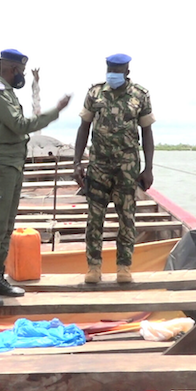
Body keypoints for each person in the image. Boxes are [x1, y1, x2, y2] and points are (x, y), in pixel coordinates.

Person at [0, 49, 70, 306]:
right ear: (11, 69)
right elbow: (19, 125)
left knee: (6, 226)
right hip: (0, 167)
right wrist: (54, 112)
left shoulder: (8, 94)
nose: (23, 76)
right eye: (21, 71)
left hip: (13, 166)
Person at [73, 53, 155, 284]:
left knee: (127, 218)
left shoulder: (140, 95)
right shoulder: (95, 93)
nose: (113, 74)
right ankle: (94, 267)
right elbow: (84, 128)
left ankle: (124, 267)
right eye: (110, 69)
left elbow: (147, 132)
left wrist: (148, 168)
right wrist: (77, 163)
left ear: (127, 72)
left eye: (118, 70)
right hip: (98, 166)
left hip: (127, 168)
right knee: (94, 219)